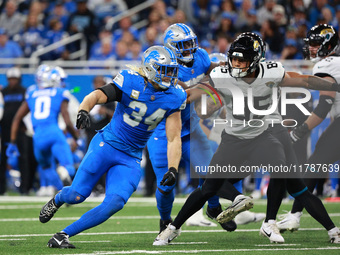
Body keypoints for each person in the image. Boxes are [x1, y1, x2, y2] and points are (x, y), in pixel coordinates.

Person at [153, 33, 340, 245]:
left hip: (264, 135)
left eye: (242, 60)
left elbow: (304, 80)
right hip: (234, 140)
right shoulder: (224, 75)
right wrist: (168, 96)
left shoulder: (271, 72)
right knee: (208, 188)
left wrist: (334, 86)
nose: (236, 63)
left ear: (256, 59)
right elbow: (195, 93)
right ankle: (173, 228)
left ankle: (270, 222)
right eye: (234, 58)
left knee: (280, 168)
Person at [38, 45, 186, 249]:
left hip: (131, 156)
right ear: (151, 69)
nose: (170, 76)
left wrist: (173, 168)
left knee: (115, 202)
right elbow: (97, 95)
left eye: (172, 71)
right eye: (165, 70)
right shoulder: (130, 80)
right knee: (77, 195)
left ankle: (63, 235)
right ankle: (58, 199)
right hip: (106, 144)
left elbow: (173, 137)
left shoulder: (175, 96)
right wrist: (83, 109)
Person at [148, 23, 237, 233]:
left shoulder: (201, 56)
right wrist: (214, 81)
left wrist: (226, 69)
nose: (190, 49)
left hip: (192, 129)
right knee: (165, 186)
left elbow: (210, 72)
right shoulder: (165, 66)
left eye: (191, 43)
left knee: (210, 173)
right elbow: (186, 93)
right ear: (171, 46)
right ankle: (164, 219)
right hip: (164, 133)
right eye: (184, 45)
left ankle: (214, 208)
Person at [277, 24, 340, 235]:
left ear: (329, 45)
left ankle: (295, 216)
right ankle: (295, 215)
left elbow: (324, 104)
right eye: (310, 44)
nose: (311, 49)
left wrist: (300, 130)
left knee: (315, 162)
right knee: (316, 162)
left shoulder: (329, 64)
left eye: (315, 44)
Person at [7, 65, 78, 195]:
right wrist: (76, 137)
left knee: (45, 167)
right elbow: (67, 121)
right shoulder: (60, 93)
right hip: (54, 133)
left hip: (38, 137)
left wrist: (12, 142)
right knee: (68, 166)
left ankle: (62, 193)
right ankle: (64, 172)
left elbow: (17, 118)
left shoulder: (32, 92)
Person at [0, 67, 32, 195]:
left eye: (15, 79)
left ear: (19, 79)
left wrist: (26, 125)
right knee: (3, 160)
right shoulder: (4, 92)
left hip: (20, 130)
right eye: (10, 79)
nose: (12, 81)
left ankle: (25, 188)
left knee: (23, 159)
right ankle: (1, 189)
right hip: (5, 131)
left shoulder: (25, 91)